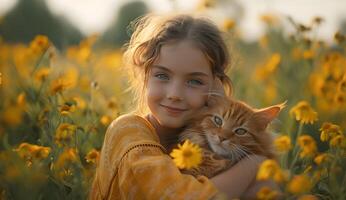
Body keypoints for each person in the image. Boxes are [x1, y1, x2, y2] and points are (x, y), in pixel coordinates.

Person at [89, 13, 271, 200]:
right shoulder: (127, 130)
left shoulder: (206, 140)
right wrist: (254, 164)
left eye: (194, 81)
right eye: (162, 76)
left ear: (215, 88)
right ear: (143, 76)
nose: (175, 94)